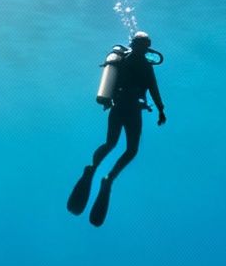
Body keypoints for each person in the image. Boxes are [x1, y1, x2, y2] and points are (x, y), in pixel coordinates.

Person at [68, 31, 166, 227]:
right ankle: (109, 178)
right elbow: (154, 90)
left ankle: (92, 169)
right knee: (131, 149)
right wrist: (161, 111)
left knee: (110, 143)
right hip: (132, 111)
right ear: (146, 46)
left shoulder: (121, 61)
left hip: (118, 108)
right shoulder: (145, 66)